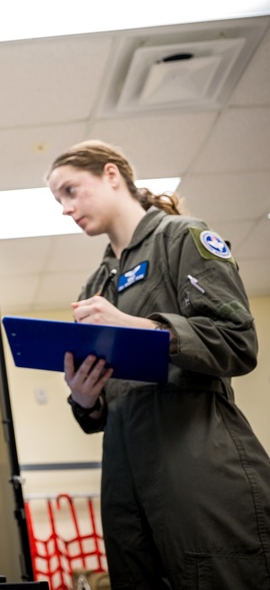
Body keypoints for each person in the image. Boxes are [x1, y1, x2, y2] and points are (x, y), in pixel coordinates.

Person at [46, 140, 270, 589]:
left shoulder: (181, 237)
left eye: (71, 191)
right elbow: (108, 402)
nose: (66, 209)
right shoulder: (98, 282)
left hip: (197, 462)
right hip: (126, 477)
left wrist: (139, 326)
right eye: (58, 201)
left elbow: (238, 341)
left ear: (112, 175)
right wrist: (85, 398)